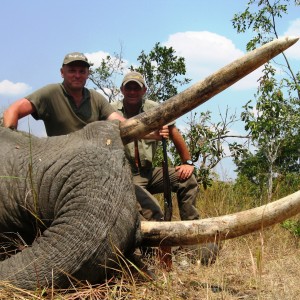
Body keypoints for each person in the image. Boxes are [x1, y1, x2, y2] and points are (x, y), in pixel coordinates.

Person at [112, 71, 200, 222]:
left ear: (144, 90)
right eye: (129, 88)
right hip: (126, 175)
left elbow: (173, 132)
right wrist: (151, 133)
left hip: (150, 172)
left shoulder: (154, 108)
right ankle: (154, 242)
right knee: (153, 211)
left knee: (187, 178)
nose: (132, 92)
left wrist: (187, 162)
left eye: (136, 88)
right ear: (122, 90)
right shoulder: (111, 110)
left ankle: (193, 233)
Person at [3, 52, 127, 135]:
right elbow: (12, 110)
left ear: (87, 74)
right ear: (62, 72)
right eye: (72, 71)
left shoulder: (96, 98)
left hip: (92, 160)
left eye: (82, 71)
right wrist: (11, 143)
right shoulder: (50, 93)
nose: (77, 76)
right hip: (60, 161)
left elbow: (119, 121)